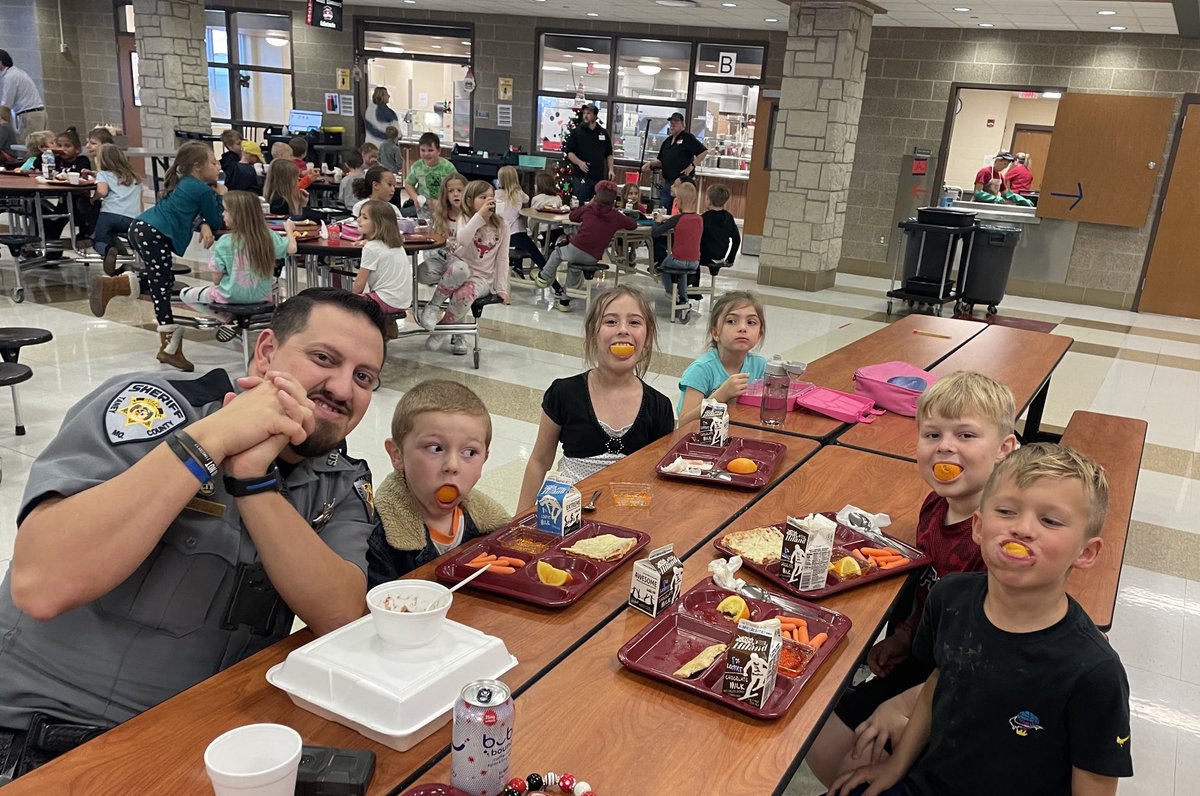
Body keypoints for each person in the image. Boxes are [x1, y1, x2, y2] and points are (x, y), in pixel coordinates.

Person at [0, 288, 387, 779]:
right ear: (267, 352)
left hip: (211, 749)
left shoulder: (341, 481)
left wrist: (254, 483)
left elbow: (340, 617)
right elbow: (42, 584)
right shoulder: (155, 408)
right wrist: (210, 440)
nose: (342, 388)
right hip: (47, 744)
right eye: (323, 358)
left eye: (363, 377)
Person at [831, 443, 1133, 796]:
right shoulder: (949, 597)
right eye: (1006, 511)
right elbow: (939, 680)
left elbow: (1094, 783)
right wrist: (895, 766)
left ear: (1086, 552)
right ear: (978, 526)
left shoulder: (1094, 671)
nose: (1022, 529)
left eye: (1049, 520)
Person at [808, 371, 1018, 788]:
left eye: (966, 435)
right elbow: (929, 588)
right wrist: (906, 635)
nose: (945, 446)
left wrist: (906, 705)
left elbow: (989, 659)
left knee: (843, 754)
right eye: (932, 434)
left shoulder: (996, 543)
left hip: (963, 685)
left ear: (1004, 449)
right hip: (926, 657)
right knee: (820, 737)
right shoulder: (936, 506)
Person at [519, 285, 674, 502]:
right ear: (592, 333)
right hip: (570, 510)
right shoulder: (563, 393)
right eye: (610, 321)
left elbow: (659, 476)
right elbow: (539, 461)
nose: (623, 330)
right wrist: (521, 516)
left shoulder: (659, 407)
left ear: (648, 337)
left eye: (634, 322)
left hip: (628, 513)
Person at [89, 141, 225, 372]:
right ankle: (169, 348)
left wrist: (202, 223)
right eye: (213, 162)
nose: (218, 166)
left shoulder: (186, 183)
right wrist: (221, 195)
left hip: (143, 228)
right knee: (161, 287)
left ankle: (115, 286)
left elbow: (192, 213)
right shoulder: (201, 189)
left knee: (163, 280)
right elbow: (217, 219)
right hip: (153, 233)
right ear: (197, 166)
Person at [366, 380, 511, 583]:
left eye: (469, 452)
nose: (452, 465)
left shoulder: (491, 524)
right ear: (397, 454)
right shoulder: (375, 537)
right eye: (435, 448)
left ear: (485, 459)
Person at [423, 179, 510, 355]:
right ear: (470, 201)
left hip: (481, 279)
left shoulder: (502, 225)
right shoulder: (465, 218)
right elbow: (462, 239)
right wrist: (480, 217)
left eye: (491, 197)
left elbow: (502, 258)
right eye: (483, 197)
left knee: (464, 294)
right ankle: (433, 306)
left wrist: (502, 288)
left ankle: (444, 328)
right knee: (461, 270)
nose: (489, 201)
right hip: (459, 266)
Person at [179, 189, 294, 309]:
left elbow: (216, 280)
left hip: (228, 296)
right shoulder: (268, 236)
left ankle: (225, 316)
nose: (222, 214)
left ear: (237, 215)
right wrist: (289, 230)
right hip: (262, 296)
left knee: (185, 293)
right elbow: (292, 249)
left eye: (226, 210)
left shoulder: (225, 241)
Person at [534, 179, 635, 313]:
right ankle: (564, 301)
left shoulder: (590, 209)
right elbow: (633, 225)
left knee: (558, 252)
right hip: (593, 257)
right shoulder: (616, 216)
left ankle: (544, 277)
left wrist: (590, 204)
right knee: (574, 268)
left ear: (597, 196)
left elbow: (573, 216)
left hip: (577, 248)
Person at [677, 291, 767, 426]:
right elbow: (684, 423)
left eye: (751, 322)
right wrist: (720, 397)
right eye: (731, 321)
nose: (743, 328)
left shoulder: (760, 365)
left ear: (759, 334)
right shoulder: (701, 370)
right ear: (715, 333)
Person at [352, 198, 413, 330]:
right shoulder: (396, 244)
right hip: (403, 301)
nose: (358, 220)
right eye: (360, 216)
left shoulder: (371, 248)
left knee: (342, 305)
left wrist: (351, 298)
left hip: (385, 301)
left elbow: (358, 285)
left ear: (378, 223)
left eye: (364, 217)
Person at [652, 180, 703, 323]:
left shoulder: (676, 219)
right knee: (682, 273)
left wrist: (657, 221)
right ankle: (683, 299)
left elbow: (655, 233)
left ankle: (672, 293)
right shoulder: (700, 219)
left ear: (678, 201)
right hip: (695, 262)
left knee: (663, 267)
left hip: (678, 259)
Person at [91, 143, 142, 276]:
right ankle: (124, 262)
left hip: (109, 214)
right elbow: (140, 202)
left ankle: (108, 250)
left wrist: (93, 198)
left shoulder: (103, 174)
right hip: (131, 218)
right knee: (114, 235)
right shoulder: (135, 177)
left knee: (99, 240)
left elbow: (102, 191)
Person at [641, 112, 706, 211]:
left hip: (682, 183)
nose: (673, 124)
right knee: (664, 209)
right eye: (671, 122)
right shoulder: (667, 141)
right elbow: (661, 161)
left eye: (676, 122)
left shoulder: (687, 138)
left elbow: (703, 152)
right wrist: (650, 163)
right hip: (668, 182)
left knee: (680, 209)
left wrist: (692, 165)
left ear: (683, 124)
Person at [419, 170, 467, 291]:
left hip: (464, 262)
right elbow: (432, 244)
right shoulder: (440, 215)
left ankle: (450, 285)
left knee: (459, 270)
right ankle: (451, 281)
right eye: (451, 191)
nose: (455, 194)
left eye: (460, 190)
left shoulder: (472, 216)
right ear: (445, 194)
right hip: (443, 259)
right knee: (421, 272)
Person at [496, 164, 545, 278]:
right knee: (535, 254)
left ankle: (518, 269)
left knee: (521, 241)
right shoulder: (519, 193)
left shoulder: (495, 194)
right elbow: (527, 199)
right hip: (517, 233)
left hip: (501, 233)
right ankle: (551, 279)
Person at [562, 103, 614, 204]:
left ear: (595, 116)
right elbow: (569, 152)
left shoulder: (603, 133)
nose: (585, 116)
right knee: (580, 204)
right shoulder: (577, 132)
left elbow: (609, 153)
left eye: (588, 113)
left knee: (597, 204)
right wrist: (580, 163)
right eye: (584, 113)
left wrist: (611, 169)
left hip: (598, 176)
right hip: (581, 176)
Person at [402, 132, 456, 215]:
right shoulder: (417, 166)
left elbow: (456, 188)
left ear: (439, 150)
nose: (426, 154)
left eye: (430, 150)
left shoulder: (448, 167)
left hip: (444, 210)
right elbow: (409, 184)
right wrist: (415, 197)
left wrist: (442, 202)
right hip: (423, 211)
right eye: (422, 150)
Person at [0, 49, 47, 134]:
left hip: (31, 116)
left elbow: (6, 106)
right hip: (36, 114)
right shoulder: (16, 72)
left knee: (29, 142)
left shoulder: (10, 77)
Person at [700, 183, 740, 266]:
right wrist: (730, 259)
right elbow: (737, 239)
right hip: (720, 257)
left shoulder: (704, 218)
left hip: (704, 257)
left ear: (709, 200)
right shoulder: (728, 217)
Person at [218, 129, 257, 193]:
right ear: (230, 146)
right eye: (238, 144)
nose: (242, 145)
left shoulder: (237, 157)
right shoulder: (229, 160)